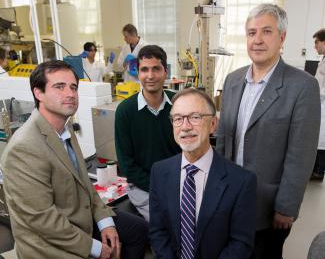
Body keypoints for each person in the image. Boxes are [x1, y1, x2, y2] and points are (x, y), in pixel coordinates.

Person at [1, 60, 148, 259]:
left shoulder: (64, 129)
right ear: (38, 93)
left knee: (138, 230)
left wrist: (106, 222)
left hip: (78, 219)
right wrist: (96, 248)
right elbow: (43, 220)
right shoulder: (24, 148)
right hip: (48, 242)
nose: (70, 94)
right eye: (59, 87)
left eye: (73, 87)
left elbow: (86, 185)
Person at [216, 3, 321, 259]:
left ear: (282, 37)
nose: (258, 40)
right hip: (229, 197)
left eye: (266, 32)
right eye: (252, 33)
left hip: (268, 204)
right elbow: (223, 141)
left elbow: (301, 154)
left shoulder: (302, 86)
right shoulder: (232, 80)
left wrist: (286, 206)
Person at [149, 88, 257, 258]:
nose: (185, 126)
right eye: (178, 119)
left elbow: (241, 243)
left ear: (213, 124)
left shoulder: (242, 181)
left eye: (195, 117)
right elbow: (158, 231)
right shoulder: (159, 172)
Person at [115, 45, 181, 221]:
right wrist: (160, 187)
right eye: (144, 69)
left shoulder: (179, 104)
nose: (150, 76)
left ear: (165, 72)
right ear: (138, 73)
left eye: (156, 69)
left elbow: (191, 150)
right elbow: (127, 165)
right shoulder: (125, 112)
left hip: (179, 183)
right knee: (170, 223)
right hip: (143, 187)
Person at [311, 28, 325, 180]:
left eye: (317, 42)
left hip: (323, 104)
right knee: (317, 138)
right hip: (319, 104)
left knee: (321, 140)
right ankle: (316, 170)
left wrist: (315, 92)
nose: (315, 46)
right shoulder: (323, 59)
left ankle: (319, 172)